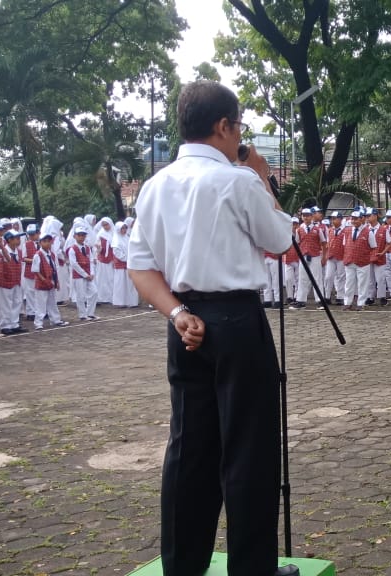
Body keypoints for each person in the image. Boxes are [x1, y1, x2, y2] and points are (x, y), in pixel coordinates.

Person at [126, 80, 297, 576]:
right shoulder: (237, 181)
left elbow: (140, 267)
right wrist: (262, 178)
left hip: (185, 324)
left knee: (189, 449)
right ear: (224, 126)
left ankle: (183, 565)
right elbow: (281, 238)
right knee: (248, 449)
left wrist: (178, 314)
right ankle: (252, 568)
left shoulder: (155, 186)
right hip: (237, 321)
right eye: (238, 126)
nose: (239, 135)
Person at [31, 232, 67, 329]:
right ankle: (38, 323)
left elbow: (55, 269)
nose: (47, 243)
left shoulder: (52, 255)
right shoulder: (38, 255)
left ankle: (55, 319)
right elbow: (36, 271)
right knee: (41, 304)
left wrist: (56, 281)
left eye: (49, 241)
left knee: (52, 302)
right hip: (42, 282)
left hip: (51, 281)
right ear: (40, 243)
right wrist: (44, 280)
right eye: (44, 241)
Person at [293, 208, 327, 309]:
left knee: (317, 278)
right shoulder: (299, 230)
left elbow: (324, 243)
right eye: (304, 215)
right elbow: (297, 243)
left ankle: (320, 300)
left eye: (308, 215)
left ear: (312, 217)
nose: (306, 217)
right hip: (303, 256)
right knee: (302, 278)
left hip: (315, 256)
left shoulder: (317, 229)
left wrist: (324, 256)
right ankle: (301, 300)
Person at [0, 230, 26, 335]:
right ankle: (5, 325)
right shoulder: (1, 251)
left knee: (17, 302)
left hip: (16, 281)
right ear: (9, 240)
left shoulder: (19, 251)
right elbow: (6, 260)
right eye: (16, 238)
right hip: (6, 281)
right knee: (6, 304)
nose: (19, 240)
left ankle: (14, 323)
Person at [66, 226, 99, 321]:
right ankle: (83, 315)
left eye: (83, 235)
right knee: (80, 295)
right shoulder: (72, 249)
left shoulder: (87, 248)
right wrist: (85, 274)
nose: (81, 237)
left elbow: (91, 260)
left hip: (88, 274)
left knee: (94, 292)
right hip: (79, 275)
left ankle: (90, 313)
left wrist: (92, 273)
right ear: (74, 236)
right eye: (79, 235)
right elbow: (74, 264)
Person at [111, 219, 140, 307]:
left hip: (129, 264)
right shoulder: (116, 241)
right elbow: (118, 253)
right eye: (122, 228)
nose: (124, 230)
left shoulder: (127, 238)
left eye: (125, 228)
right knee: (121, 284)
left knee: (130, 284)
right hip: (121, 266)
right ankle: (121, 302)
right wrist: (128, 259)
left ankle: (132, 302)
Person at [94, 217, 115, 304]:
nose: (106, 227)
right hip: (102, 260)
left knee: (111, 278)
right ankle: (102, 297)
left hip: (111, 259)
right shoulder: (100, 234)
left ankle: (112, 296)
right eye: (104, 225)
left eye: (107, 224)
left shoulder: (114, 233)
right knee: (102, 279)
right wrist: (98, 249)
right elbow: (96, 247)